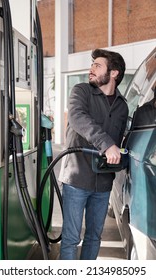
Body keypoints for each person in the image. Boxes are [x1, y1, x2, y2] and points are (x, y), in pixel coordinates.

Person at [58, 49, 129, 260]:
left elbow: (120, 141)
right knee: (71, 238)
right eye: (92, 65)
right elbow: (79, 118)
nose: (91, 69)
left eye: (97, 66)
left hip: (104, 182)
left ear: (113, 73)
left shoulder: (122, 107)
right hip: (77, 178)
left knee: (94, 237)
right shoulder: (81, 91)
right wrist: (107, 145)